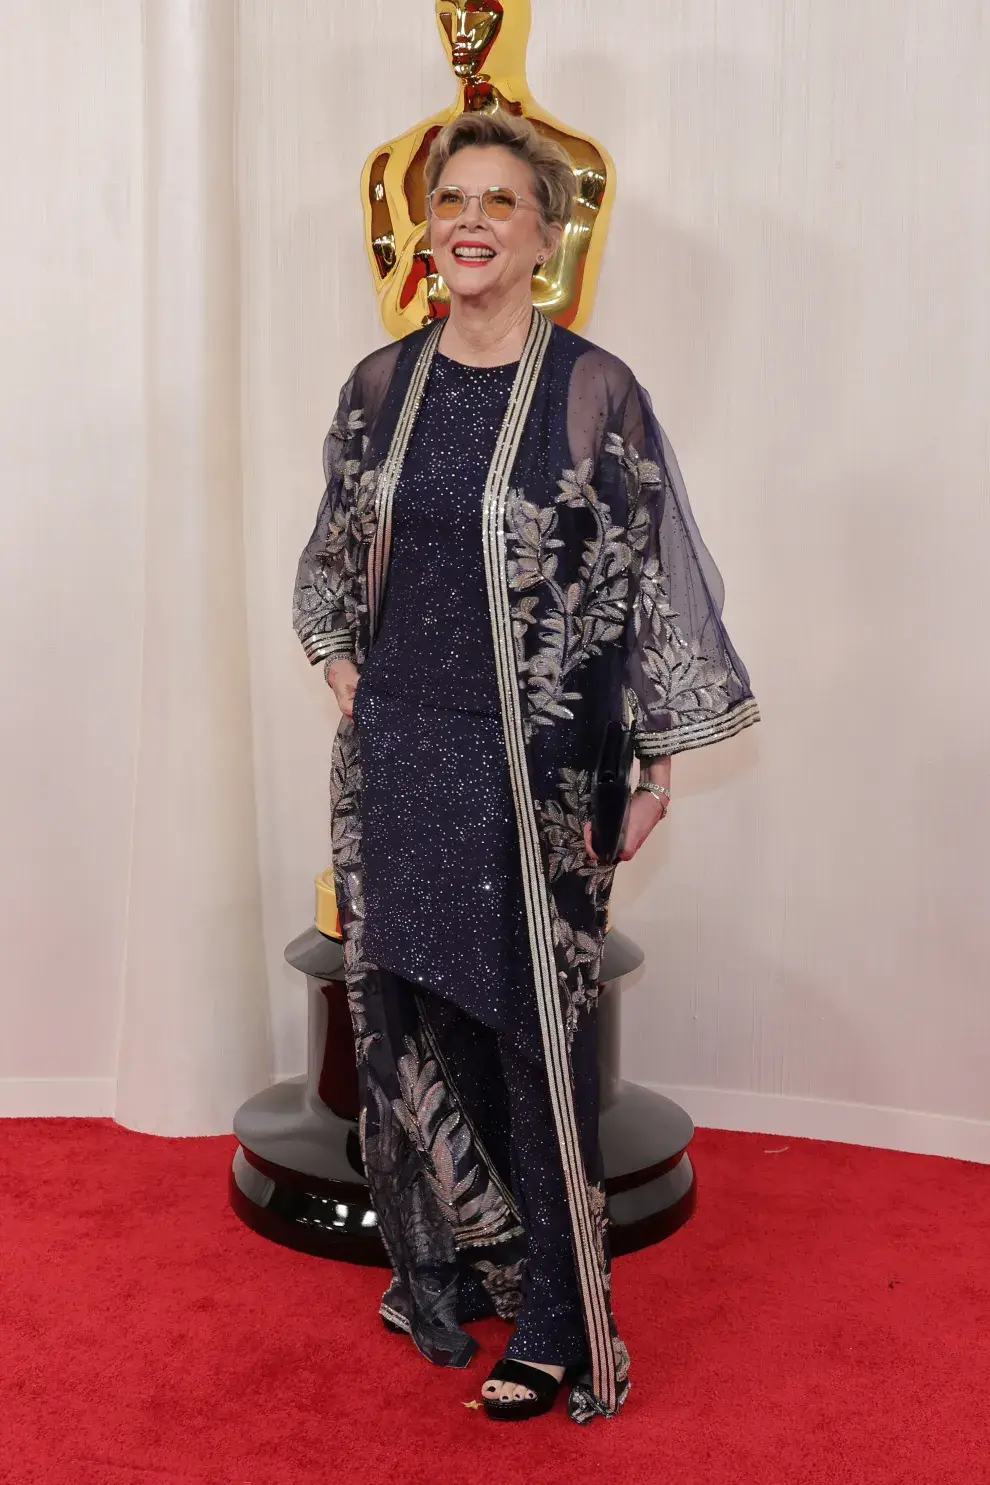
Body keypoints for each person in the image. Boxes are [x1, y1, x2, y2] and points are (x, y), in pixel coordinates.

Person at [293, 110, 759, 1425]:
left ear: (547, 238)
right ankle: (489, 1251)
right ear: (425, 229)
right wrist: (341, 659)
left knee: (528, 1037)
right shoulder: (379, 387)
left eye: (501, 200)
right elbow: (335, 555)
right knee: (415, 1024)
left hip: (540, 768)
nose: (472, 221)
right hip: (399, 758)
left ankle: (556, 1318)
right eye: (452, 200)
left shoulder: (594, 389)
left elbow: (654, 576)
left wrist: (656, 751)